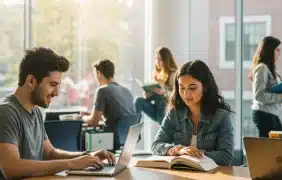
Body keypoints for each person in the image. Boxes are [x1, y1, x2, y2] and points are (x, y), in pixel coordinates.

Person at [0, 47, 115, 179]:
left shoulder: (35, 111)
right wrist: (71, 164)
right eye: (52, 84)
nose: (57, 92)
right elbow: (11, 168)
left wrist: (87, 156)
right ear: (31, 81)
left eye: (58, 85)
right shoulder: (6, 112)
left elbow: (50, 153)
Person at [151, 60, 234, 165]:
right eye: (181, 88)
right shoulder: (173, 114)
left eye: (192, 88)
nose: (186, 94)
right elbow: (156, 146)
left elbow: (226, 157)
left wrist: (193, 154)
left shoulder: (222, 116)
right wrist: (178, 150)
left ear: (205, 87)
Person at [80, 59, 137, 150]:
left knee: (82, 138)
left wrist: (82, 118)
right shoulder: (126, 91)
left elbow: (93, 122)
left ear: (99, 74)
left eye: (95, 75)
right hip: (129, 137)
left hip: (111, 138)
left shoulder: (103, 90)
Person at [249, 36, 282, 137]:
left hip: (270, 113)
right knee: (273, 147)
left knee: (275, 146)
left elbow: (273, 93)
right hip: (264, 114)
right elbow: (259, 96)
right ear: (270, 51)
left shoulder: (269, 69)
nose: (279, 53)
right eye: (277, 50)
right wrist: (281, 96)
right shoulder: (262, 68)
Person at [135, 46, 177, 125]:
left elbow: (178, 95)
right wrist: (149, 95)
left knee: (162, 102)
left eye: (160, 59)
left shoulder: (173, 74)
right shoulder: (158, 75)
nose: (157, 61)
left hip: (168, 111)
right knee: (138, 101)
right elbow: (153, 97)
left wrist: (164, 93)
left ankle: (164, 129)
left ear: (166, 60)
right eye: (156, 59)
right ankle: (134, 130)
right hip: (157, 110)